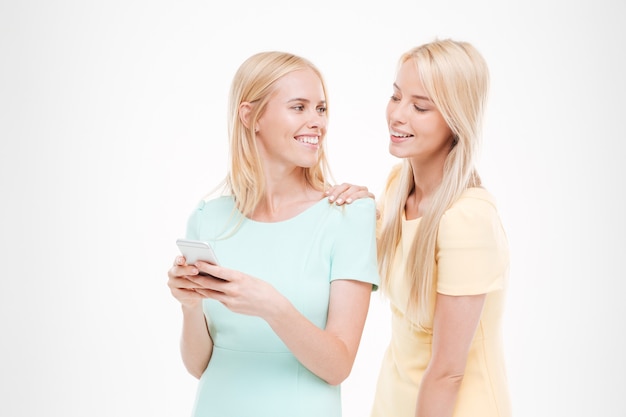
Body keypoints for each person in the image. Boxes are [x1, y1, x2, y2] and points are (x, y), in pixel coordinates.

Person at [167, 51, 380, 417]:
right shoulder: (207, 219)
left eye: (321, 109)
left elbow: (338, 365)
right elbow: (199, 365)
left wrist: (272, 307)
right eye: (299, 107)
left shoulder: (348, 216)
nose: (317, 122)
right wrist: (190, 305)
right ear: (251, 117)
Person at [369, 39, 512, 417]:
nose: (398, 115)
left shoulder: (466, 219)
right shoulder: (394, 189)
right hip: (394, 402)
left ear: (455, 119)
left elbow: (448, 372)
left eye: (419, 106)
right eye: (396, 96)